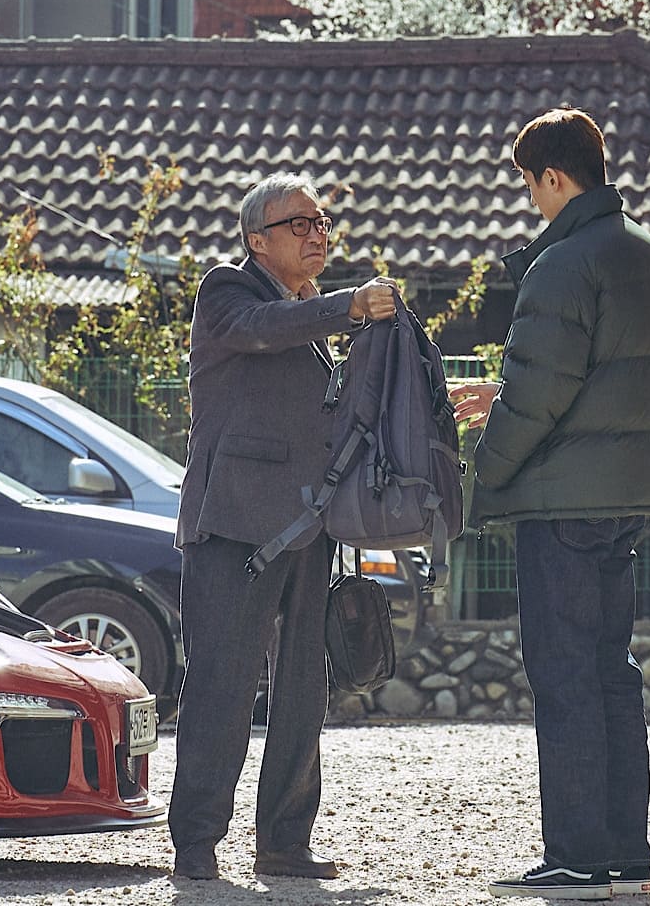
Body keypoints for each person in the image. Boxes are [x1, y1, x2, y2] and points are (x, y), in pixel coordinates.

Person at [449, 108, 650, 901]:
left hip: (561, 503)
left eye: (530, 184)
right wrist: (507, 394)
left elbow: (542, 396)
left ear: (552, 176)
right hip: (625, 494)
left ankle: (577, 859)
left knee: (565, 676)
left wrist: (485, 471)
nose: (532, 200)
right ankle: (625, 857)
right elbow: (599, 376)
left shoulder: (561, 263)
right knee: (612, 673)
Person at [169, 172, 399, 882]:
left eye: (322, 222)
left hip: (309, 524)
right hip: (233, 524)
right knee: (222, 688)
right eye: (299, 223)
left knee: (303, 690)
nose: (317, 234)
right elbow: (261, 330)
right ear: (257, 240)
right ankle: (196, 844)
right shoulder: (227, 290)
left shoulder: (313, 313)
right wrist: (347, 306)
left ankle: (284, 843)